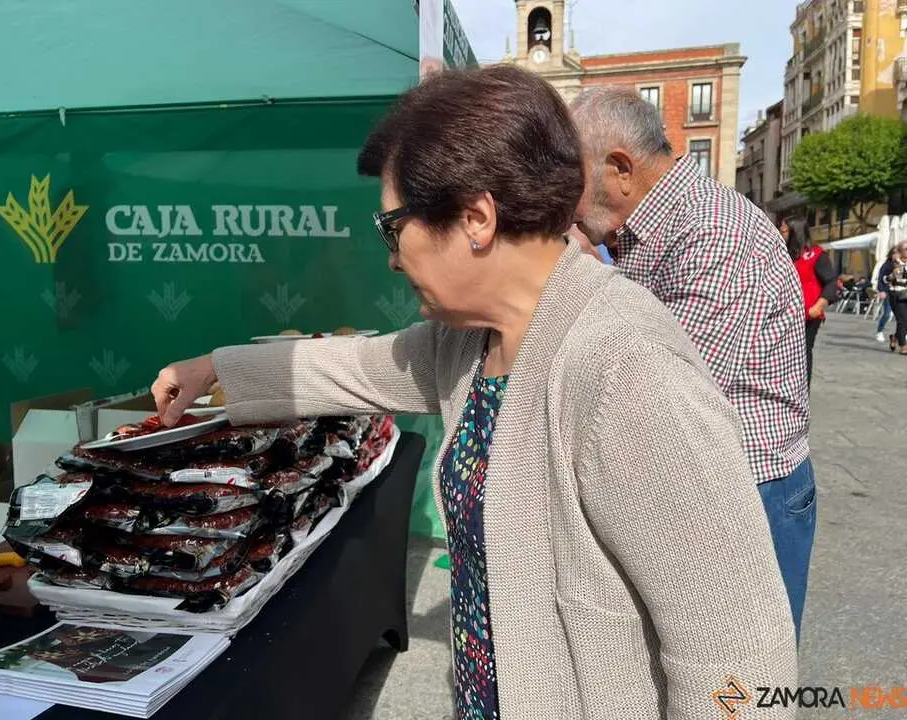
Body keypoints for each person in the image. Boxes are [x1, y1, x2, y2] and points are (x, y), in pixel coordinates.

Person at [152, 67, 796, 719]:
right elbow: (361, 365)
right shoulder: (471, 341)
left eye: (393, 226)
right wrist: (215, 368)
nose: (392, 258)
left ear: (476, 218)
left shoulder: (625, 365)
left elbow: (738, 647)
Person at [569, 85, 814, 638]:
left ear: (620, 169)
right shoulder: (649, 228)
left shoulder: (713, 229)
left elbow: (662, 388)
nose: (568, 202)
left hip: (752, 489)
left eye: (572, 178)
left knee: (742, 665)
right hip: (706, 480)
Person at [782, 219, 838, 386]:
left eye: (784, 231)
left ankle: (802, 391)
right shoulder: (785, 254)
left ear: (795, 232)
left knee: (802, 352)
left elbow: (831, 282)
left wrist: (819, 306)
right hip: (786, 314)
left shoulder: (816, 254)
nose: (781, 234)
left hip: (808, 314)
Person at [885, 241, 907, 354]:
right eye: (906, 249)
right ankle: (903, 346)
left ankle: (895, 337)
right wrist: (892, 275)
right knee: (902, 320)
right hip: (897, 295)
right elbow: (884, 279)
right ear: (900, 251)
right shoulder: (892, 264)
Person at [874, 246, 897, 343]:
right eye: (894, 253)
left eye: (898, 253)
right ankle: (879, 331)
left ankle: (901, 334)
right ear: (891, 254)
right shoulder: (887, 265)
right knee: (887, 314)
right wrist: (881, 290)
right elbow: (880, 278)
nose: (896, 255)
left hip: (901, 292)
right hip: (889, 292)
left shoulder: (903, 264)